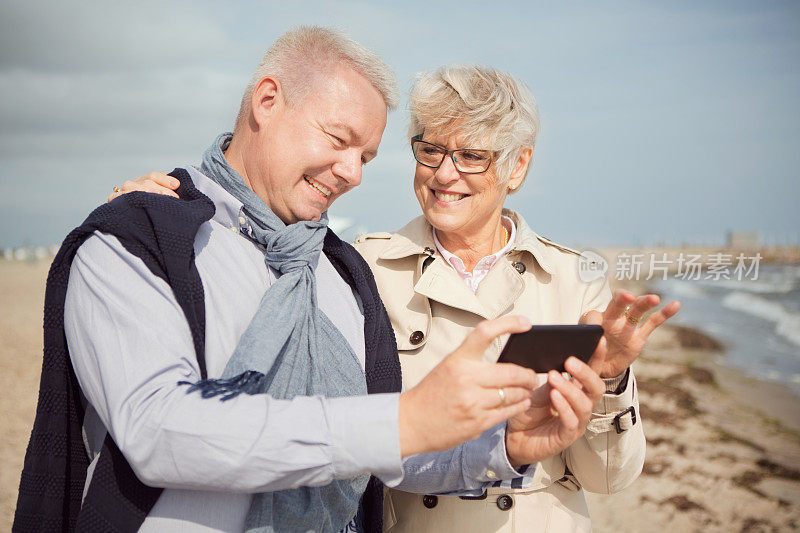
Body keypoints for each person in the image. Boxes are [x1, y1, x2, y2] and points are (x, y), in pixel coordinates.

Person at [14, 29, 608, 533]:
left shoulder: (343, 275)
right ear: (267, 101)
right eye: (338, 140)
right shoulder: (140, 239)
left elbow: (371, 454)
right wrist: (397, 422)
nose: (352, 173)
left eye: (368, 158)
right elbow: (160, 430)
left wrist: (502, 448)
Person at [117, 64, 681, 532]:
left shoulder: (574, 279)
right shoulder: (358, 269)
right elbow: (254, 252)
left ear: (518, 167)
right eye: (430, 150)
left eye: (472, 156)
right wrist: (162, 209)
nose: (444, 174)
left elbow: (609, 480)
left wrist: (610, 380)